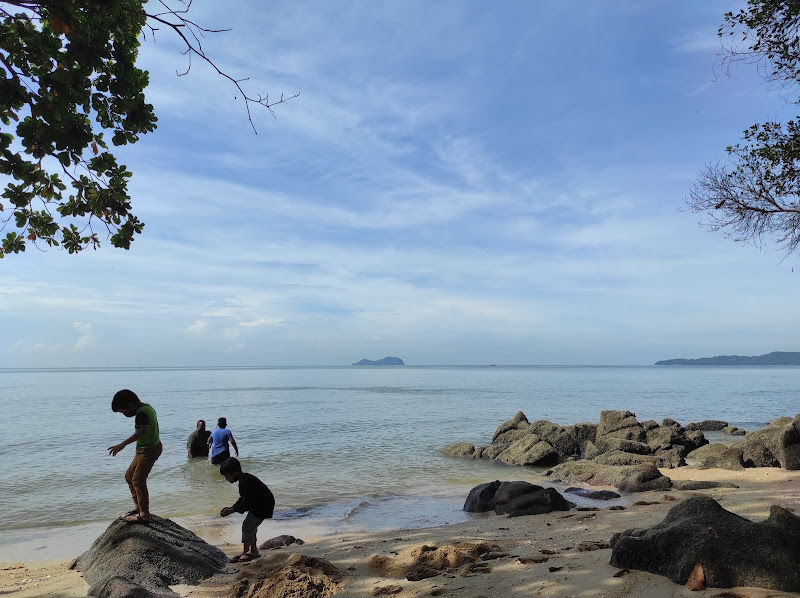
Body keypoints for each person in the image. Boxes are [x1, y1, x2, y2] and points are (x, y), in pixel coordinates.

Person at [108, 389, 162, 524]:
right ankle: (138, 507)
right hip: (144, 448)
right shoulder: (147, 407)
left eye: (123, 411)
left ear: (130, 406)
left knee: (138, 480)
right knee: (129, 476)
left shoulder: (142, 413)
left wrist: (122, 445)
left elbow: (141, 432)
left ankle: (144, 515)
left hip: (149, 450)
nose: (124, 414)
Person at [218, 457, 274, 563]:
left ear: (233, 473)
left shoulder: (245, 482)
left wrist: (231, 510)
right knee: (250, 526)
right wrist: (232, 507)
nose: (226, 479)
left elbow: (246, 502)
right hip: (263, 504)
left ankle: (247, 552)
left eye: (226, 476)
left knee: (248, 525)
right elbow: (243, 499)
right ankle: (253, 551)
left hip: (263, 506)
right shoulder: (245, 479)